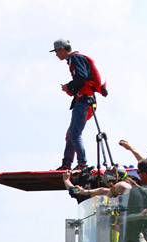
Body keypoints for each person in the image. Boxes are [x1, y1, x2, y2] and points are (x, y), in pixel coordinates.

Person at [51, 38, 106, 171]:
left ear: (62, 49)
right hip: (84, 98)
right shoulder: (75, 58)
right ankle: (67, 164)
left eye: (56, 51)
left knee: (75, 133)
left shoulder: (75, 58)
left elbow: (81, 77)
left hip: (84, 99)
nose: (56, 54)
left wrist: (69, 86)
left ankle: (82, 164)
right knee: (71, 133)